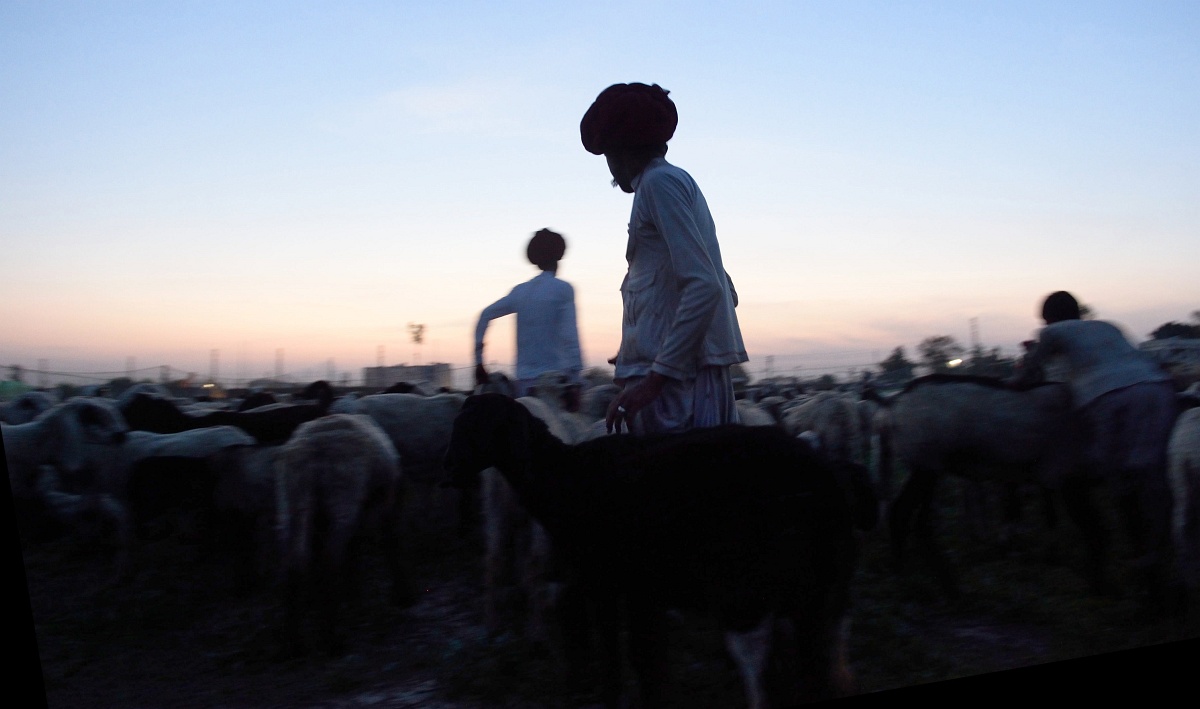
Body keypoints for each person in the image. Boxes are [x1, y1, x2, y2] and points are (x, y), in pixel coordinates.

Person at [580, 82, 748, 435]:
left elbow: (706, 287)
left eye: (609, 156)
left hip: (680, 388)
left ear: (620, 151)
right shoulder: (668, 184)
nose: (610, 169)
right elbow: (722, 287)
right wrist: (638, 344)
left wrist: (655, 379)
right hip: (678, 375)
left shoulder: (659, 185)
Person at [1012, 290, 1182, 616]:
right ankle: (1170, 564)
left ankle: (1142, 574)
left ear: (1048, 319)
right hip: (1156, 389)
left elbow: (1030, 374)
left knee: (1119, 481)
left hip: (1108, 398)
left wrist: (1012, 385)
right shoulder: (1108, 327)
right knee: (1155, 476)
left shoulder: (1051, 333)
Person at [473, 229, 583, 399]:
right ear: (558, 259)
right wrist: (575, 381)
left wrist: (479, 363)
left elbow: (484, 316)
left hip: (523, 388)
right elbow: (571, 336)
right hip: (555, 387)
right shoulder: (563, 289)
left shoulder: (519, 292)